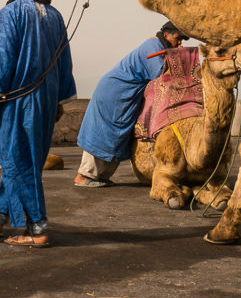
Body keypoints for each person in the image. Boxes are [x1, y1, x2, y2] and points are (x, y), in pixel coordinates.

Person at [0, 0, 76, 248]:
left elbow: (1, 57)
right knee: (25, 160)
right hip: (45, 100)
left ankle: (37, 228)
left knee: (18, 162)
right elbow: (64, 60)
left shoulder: (10, 13)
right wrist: (58, 100)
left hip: (19, 100)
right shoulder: (55, 15)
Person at [73, 22, 187, 188]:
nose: (179, 43)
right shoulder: (154, 47)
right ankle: (83, 176)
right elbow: (161, 77)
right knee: (103, 132)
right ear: (167, 34)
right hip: (114, 93)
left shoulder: (160, 48)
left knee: (117, 135)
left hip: (125, 95)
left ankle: (100, 175)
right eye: (177, 39)